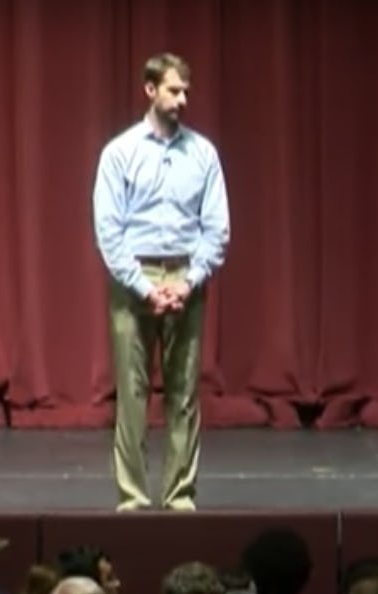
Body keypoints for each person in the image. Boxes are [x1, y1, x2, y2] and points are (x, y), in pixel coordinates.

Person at [92, 52, 230, 512]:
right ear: (150, 90)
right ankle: (132, 496)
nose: (182, 99)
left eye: (186, 91)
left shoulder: (203, 154)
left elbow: (217, 228)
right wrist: (145, 287)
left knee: (183, 393)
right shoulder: (120, 153)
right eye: (174, 90)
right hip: (135, 277)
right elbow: (109, 231)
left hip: (187, 275)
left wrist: (189, 281)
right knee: (132, 393)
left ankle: (179, 496)